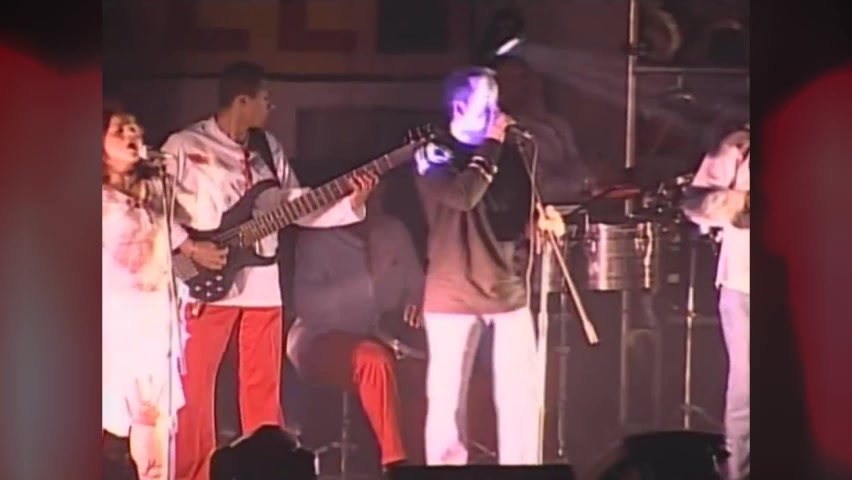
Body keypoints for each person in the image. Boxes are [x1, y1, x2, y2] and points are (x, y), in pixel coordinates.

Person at [160, 61, 376, 480]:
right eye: (265, 98)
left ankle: (266, 472)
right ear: (242, 100)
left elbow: (293, 207)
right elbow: (154, 205)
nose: (271, 106)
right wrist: (189, 246)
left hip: (262, 283)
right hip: (204, 278)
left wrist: (350, 204)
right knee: (195, 389)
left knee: (263, 388)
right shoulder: (183, 145)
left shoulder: (268, 147)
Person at [413, 66, 565, 465]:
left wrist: (542, 221)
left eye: (497, 101)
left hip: (506, 287)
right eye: (486, 103)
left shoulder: (511, 154)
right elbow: (463, 196)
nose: (496, 112)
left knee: (520, 397)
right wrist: (494, 145)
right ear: (459, 107)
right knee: (447, 401)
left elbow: (517, 212)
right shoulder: (433, 152)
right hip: (452, 291)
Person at [286, 181, 423, 472]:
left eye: (378, 198)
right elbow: (308, 305)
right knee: (373, 359)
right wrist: (369, 282)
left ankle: (427, 460)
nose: (373, 206)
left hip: (385, 336)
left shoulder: (393, 232)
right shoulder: (317, 238)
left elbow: (416, 283)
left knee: (422, 372)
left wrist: (416, 300)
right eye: (366, 199)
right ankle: (395, 464)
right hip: (319, 338)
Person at [102, 106, 185, 480]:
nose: (132, 133)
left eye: (135, 127)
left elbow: (181, 236)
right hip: (112, 320)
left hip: (155, 317)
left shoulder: (157, 190)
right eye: (120, 129)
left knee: (155, 415)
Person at [682, 124, 750, 479]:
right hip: (745, 285)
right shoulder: (739, 144)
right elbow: (695, 203)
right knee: (747, 395)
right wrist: (739, 202)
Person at [492, 55, 595, 203]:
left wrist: (588, 179)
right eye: (511, 80)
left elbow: (579, 168)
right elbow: (539, 188)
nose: (524, 85)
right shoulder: (507, 133)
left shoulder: (559, 124)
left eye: (524, 76)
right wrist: (581, 184)